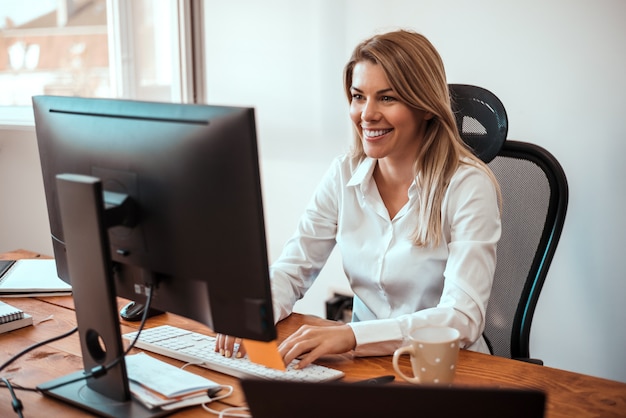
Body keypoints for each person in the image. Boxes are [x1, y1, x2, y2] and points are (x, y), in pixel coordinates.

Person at [216, 29, 501, 369]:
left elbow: (461, 317)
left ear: (425, 107)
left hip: (447, 367)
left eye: (387, 98)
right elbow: (293, 267)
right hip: (368, 364)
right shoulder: (344, 174)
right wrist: (255, 313)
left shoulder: (467, 185)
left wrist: (351, 336)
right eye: (358, 96)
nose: (366, 114)